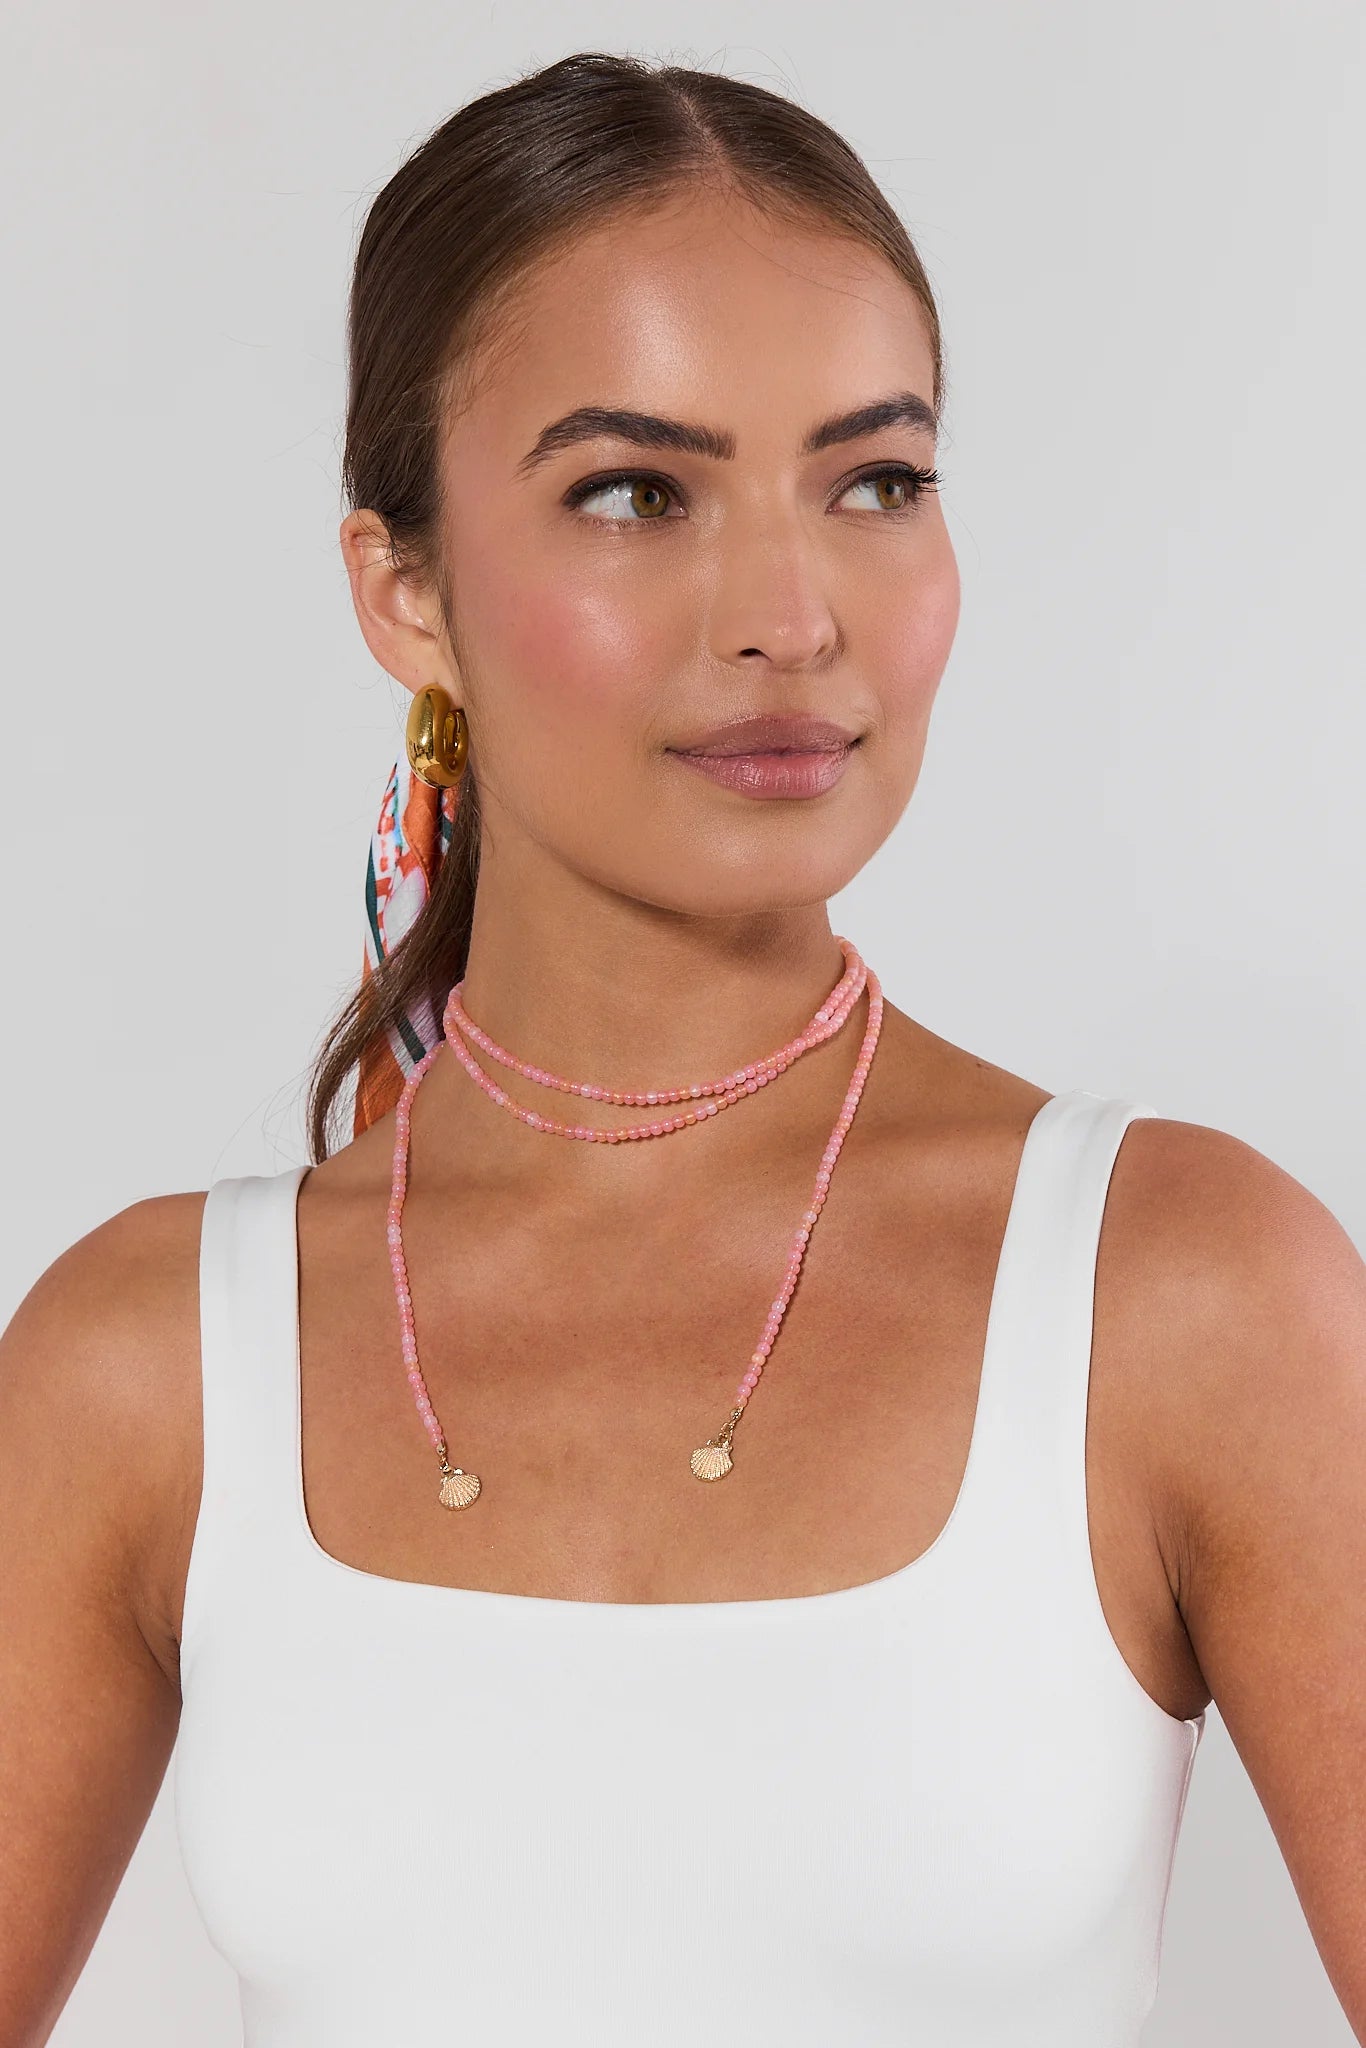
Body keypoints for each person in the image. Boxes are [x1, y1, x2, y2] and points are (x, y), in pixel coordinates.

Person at [2, 49, 1363, 2048]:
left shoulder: (1183, 1291)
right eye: (635, 493)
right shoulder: (144, 1366)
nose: (789, 616)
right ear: (405, 592)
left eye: (873, 481)